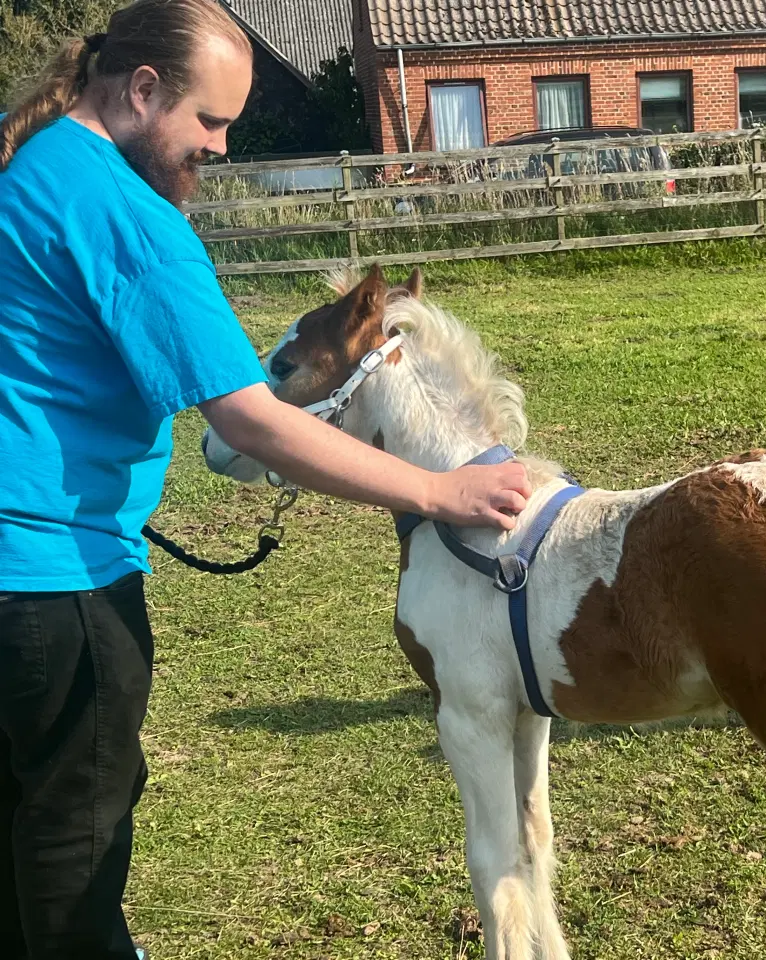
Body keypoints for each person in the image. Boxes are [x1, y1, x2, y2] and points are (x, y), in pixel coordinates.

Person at [0, 2, 531, 957]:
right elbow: (252, 418)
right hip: (54, 581)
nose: (221, 147)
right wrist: (436, 493)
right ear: (142, 90)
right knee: (73, 842)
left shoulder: (34, 168)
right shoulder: (127, 216)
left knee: (20, 827)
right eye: (209, 122)